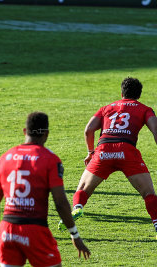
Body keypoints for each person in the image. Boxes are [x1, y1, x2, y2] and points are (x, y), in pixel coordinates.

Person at [58, 77, 157, 238]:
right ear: (139, 95)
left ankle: (77, 208)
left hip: (104, 150)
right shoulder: (145, 109)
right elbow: (156, 131)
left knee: (83, 189)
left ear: (121, 93)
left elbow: (88, 130)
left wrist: (91, 152)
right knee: (148, 193)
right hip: (127, 150)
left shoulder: (106, 108)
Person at [0, 112, 90, 266]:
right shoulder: (49, 159)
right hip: (35, 230)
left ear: (25, 131)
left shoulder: (5, 157)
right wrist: (74, 234)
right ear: (47, 134)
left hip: (8, 231)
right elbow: (60, 202)